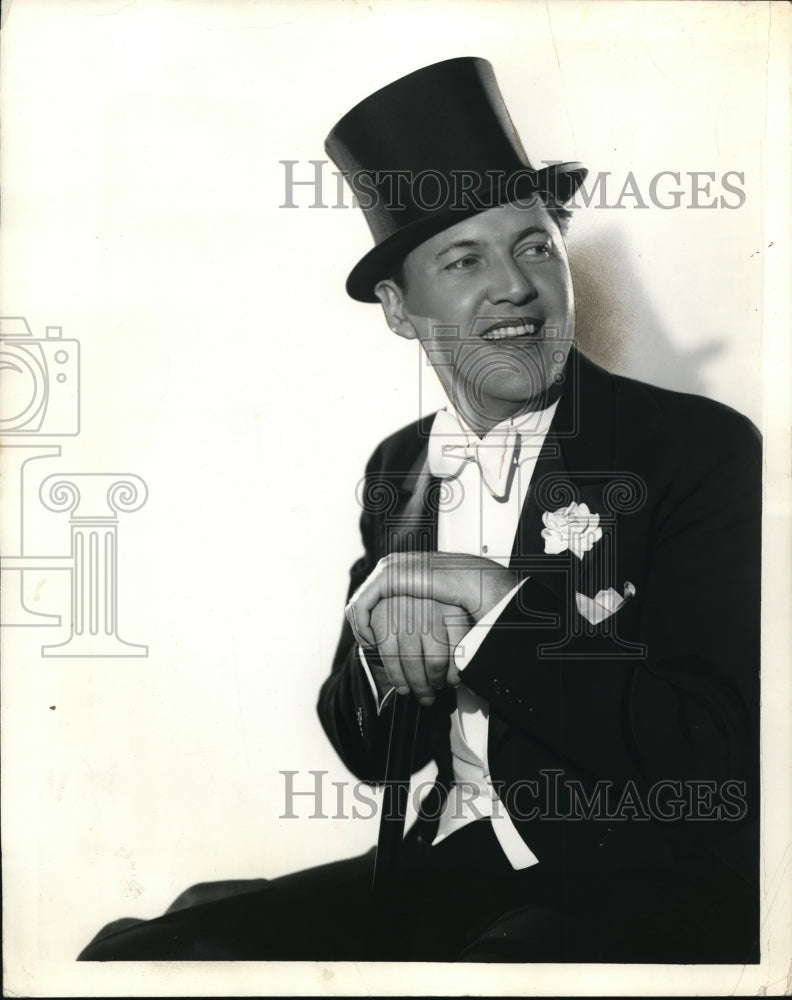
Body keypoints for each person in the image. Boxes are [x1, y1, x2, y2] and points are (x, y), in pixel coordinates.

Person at [78, 56, 760, 963]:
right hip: (446, 864)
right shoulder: (398, 468)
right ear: (400, 311)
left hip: (633, 880)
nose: (515, 284)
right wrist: (377, 649)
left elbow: (716, 760)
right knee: (136, 956)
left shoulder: (699, 449)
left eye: (534, 245)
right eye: (464, 258)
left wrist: (495, 601)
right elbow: (374, 754)